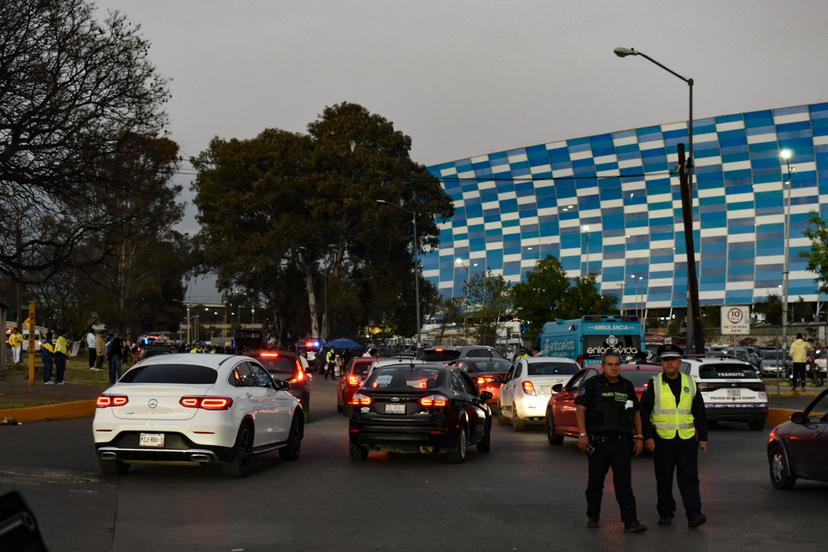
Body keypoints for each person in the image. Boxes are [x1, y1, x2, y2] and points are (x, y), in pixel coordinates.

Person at [575, 351, 646, 533]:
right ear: (603, 366)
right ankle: (593, 516)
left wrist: (639, 436)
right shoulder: (592, 384)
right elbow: (581, 410)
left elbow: (636, 413)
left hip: (622, 443)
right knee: (595, 484)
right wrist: (583, 435)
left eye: (616, 364)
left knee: (624, 485)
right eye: (610, 364)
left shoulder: (626, 385)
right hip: (598, 443)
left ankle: (631, 522)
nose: (614, 368)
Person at [640, 344, 708, 528]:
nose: (669, 363)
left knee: (689, 478)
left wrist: (703, 438)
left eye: (673, 360)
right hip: (662, 439)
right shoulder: (655, 384)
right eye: (665, 360)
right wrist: (648, 437)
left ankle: (694, 513)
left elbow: (699, 411)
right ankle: (665, 512)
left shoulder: (690, 382)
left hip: (686, 439)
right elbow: (644, 413)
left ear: (679, 361)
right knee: (664, 478)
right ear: (662, 363)